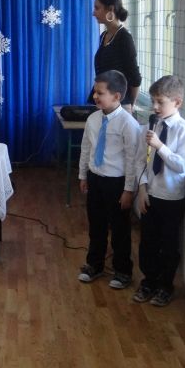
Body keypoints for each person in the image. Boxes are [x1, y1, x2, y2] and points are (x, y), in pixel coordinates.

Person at [132, 75, 185, 307]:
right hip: (150, 195)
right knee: (147, 243)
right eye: (153, 101)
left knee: (168, 246)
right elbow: (140, 161)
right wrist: (142, 188)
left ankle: (165, 286)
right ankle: (148, 281)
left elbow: (180, 166)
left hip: (171, 198)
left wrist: (160, 146)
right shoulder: (152, 125)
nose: (155, 107)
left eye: (160, 102)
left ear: (177, 102)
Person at [77, 70, 140, 289]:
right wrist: (83, 175)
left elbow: (132, 159)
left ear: (117, 96)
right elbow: (86, 148)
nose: (95, 96)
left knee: (120, 229)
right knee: (96, 225)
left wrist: (129, 190)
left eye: (100, 93)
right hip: (95, 179)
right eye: (95, 92)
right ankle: (94, 265)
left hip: (117, 183)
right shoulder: (93, 119)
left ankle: (122, 271)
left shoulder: (128, 124)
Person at [90, 0, 142, 111]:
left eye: (97, 8)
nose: (94, 13)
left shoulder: (124, 38)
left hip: (118, 103)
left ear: (111, 9)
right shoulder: (103, 35)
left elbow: (135, 77)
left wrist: (129, 104)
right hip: (102, 101)